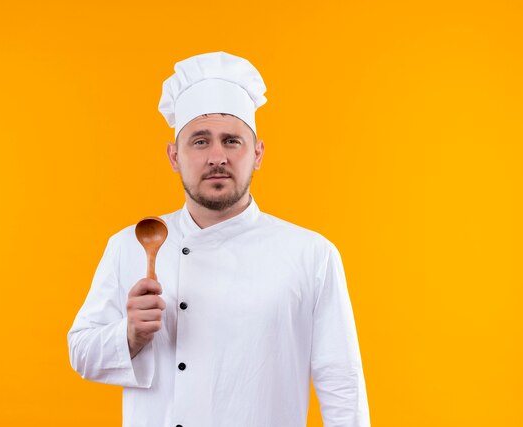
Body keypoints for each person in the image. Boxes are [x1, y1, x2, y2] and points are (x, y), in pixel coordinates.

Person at [67, 51, 370, 427]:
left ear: (257, 154)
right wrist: (128, 336)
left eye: (232, 141)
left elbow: (342, 381)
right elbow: (80, 352)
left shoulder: (311, 255)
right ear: (174, 155)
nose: (216, 157)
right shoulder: (130, 244)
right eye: (199, 141)